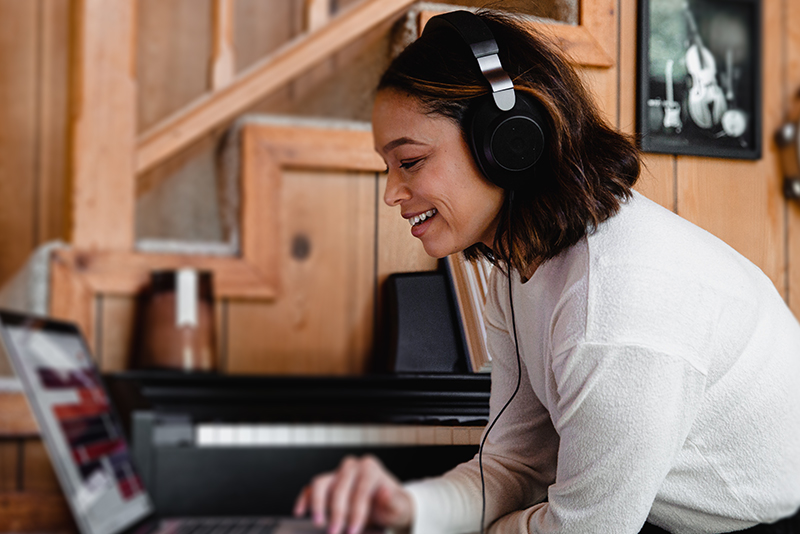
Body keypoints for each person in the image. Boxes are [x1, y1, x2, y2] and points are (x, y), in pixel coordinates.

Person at [293, 9, 800, 534]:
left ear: (509, 142)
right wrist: (410, 510)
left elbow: (586, 530)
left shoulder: (615, 306)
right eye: (387, 166)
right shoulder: (518, 272)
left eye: (411, 161)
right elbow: (516, 465)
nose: (391, 193)